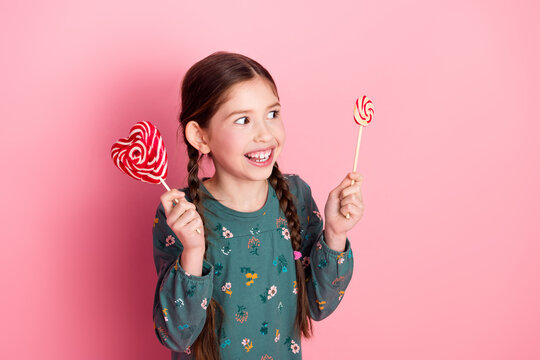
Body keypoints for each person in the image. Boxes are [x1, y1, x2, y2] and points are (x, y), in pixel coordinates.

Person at [152, 51, 364, 360]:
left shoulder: (295, 195)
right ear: (200, 136)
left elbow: (319, 304)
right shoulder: (182, 214)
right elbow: (175, 333)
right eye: (243, 120)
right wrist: (193, 252)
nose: (265, 133)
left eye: (273, 114)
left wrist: (334, 233)